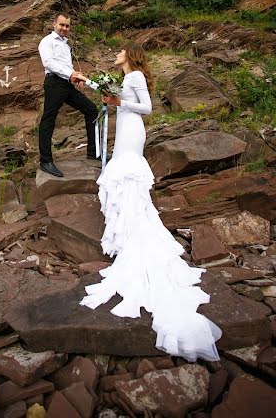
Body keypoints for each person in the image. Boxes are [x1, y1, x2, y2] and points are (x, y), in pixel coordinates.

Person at [79, 43, 222, 362]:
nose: (115, 54)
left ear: (130, 55)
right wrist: (88, 84)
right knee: (122, 181)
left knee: (126, 178)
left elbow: (145, 108)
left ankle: (136, 239)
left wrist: (118, 100)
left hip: (133, 132)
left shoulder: (137, 76)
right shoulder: (126, 78)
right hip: (126, 131)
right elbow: (116, 98)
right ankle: (131, 235)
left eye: (119, 52)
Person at [38, 13, 98, 178]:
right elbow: (48, 63)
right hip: (54, 84)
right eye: (62, 25)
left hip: (66, 84)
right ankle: (45, 161)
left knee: (91, 109)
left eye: (67, 26)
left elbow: (67, 67)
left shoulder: (66, 45)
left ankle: (93, 153)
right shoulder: (47, 41)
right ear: (54, 24)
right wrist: (70, 73)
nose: (65, 28)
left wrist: (75, 78)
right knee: (48, 119)